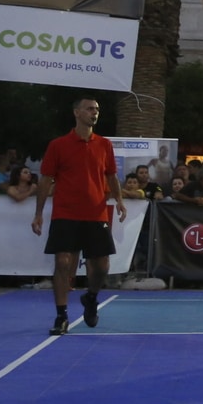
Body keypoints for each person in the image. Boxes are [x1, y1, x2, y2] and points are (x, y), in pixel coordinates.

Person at [32, 98, 127, 336]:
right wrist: (38, 213)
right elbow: (45, 180)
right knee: (63, 263)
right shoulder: (58, 145)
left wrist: (119, 200)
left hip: (95, 213)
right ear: (76, 113)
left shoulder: (104, 144)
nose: (94, 113)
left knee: (102, 266)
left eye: (97, 109)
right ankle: (61, 315)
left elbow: (111, 175)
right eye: (89, 109)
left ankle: (91, 297)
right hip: (66, 212)